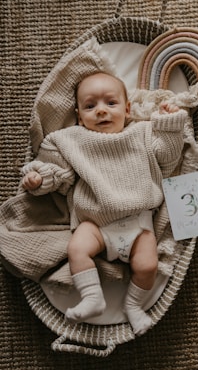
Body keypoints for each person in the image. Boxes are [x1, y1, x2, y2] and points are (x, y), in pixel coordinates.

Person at [22, 71, 186, 335]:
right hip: (95, 224)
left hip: (138, 224)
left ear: (127, 109)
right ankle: (92, 297)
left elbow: (168, 159)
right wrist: (39, 178)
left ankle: (133, 306)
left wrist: (170, 125)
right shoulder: (71, 141)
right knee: (77, 247)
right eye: (90, 106)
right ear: (78, 115)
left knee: (147, 265)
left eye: (111, 103)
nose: (101, 111)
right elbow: (59, 174)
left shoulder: (142, 133)